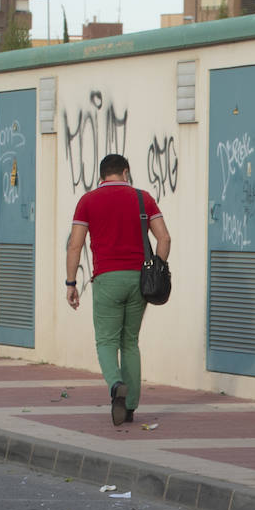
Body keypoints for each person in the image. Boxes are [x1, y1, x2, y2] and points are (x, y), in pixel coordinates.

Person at [65, 154, 171, 426]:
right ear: (125, 172)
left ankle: (115, 386)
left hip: (107, 280)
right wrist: (157, 267)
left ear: (102, 175)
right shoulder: (142, 198)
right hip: (138, 279)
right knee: (130, 342)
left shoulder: (87, 201)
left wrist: (71, 283)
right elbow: (164, 238)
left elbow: (75, 245)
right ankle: (132, 407)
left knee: (106, 341)